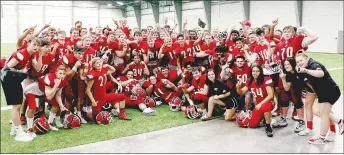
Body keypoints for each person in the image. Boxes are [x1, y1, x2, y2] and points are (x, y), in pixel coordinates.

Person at [295, 52, 343, 144]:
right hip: (324, 92)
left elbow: (320, 73)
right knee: (319, 111)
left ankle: (321, 139)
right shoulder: (305, 68)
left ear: (306, 58)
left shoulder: (313, 64)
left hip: (329, 91)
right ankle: (339, 122)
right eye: (297, 62)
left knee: (324, 114)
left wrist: (306, 71)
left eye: (301, 60)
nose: (300, 63)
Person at [1, 37, 41, 142]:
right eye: (34, 44)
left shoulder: (30, 54)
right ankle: (19, 134)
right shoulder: (22, 54)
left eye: (38, 45)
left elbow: (37, 68)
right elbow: (6, 69)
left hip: (14, 79)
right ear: (28, 44)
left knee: (18, 104)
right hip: (9, 79)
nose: (36, 47)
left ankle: (14, 130)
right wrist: (21, 73)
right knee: (16, 106)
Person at [236, 64, 274, 137]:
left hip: (268, 102)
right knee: (252, 125)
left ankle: (268, 126)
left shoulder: (265, 79)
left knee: (265, 107)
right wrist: (238, 87)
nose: (255, 73)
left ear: (261, 72)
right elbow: (241, 92)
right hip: (258, 105)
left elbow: (270, 95)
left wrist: (261, 103)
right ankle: (263, 119)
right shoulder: (250, 80)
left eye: (257, 71)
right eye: (253, 71)